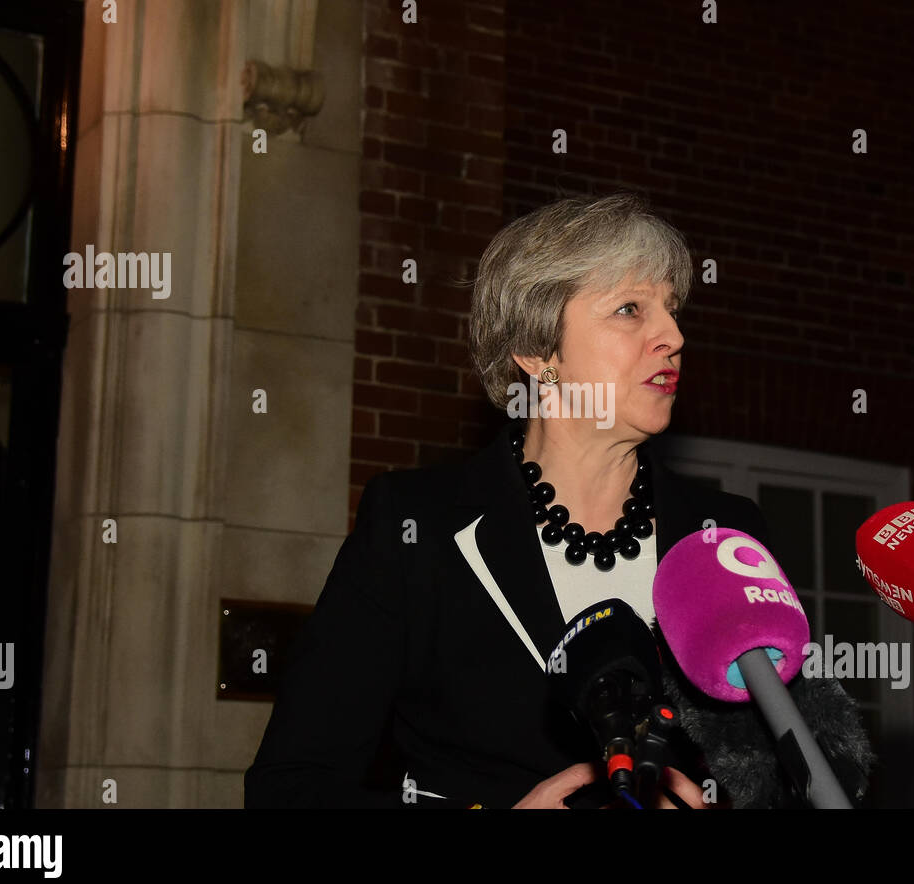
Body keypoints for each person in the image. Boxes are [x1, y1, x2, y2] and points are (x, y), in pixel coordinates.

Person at [244, 193, 871, 809]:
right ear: (538, 352)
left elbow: (801, 774)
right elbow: (290, 786)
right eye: (630, 309)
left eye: (673, 310)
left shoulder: (724, 536)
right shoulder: (417, 528)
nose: (673, 336)